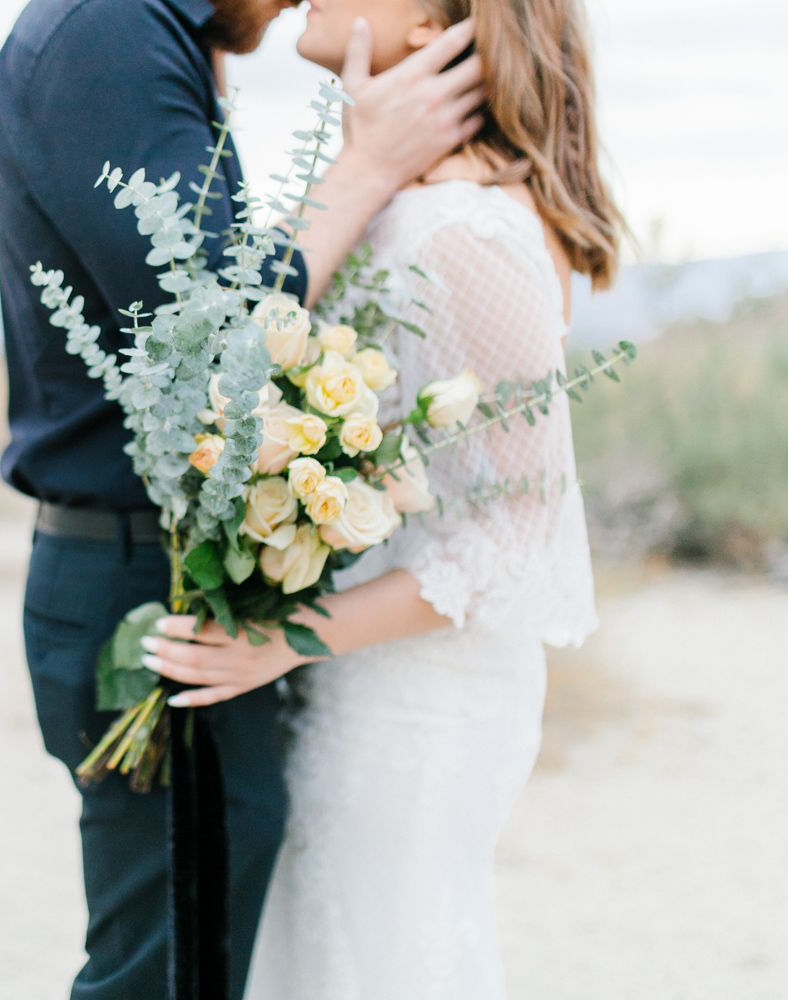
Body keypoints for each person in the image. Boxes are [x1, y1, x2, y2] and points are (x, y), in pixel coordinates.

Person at [0, 1, 487, 995]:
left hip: (161, 558)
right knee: (165, 965)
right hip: (144, 575)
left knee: (194, 942)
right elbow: (221, 329)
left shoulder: (155, 39)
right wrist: (364, 167)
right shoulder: (106, 32)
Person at [140, 0, 622, 995]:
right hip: (353, 682)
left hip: (421, 708)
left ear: (435, 27)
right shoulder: (393, 207)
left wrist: (285, 635)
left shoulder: (464, 231)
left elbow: (517, 532)